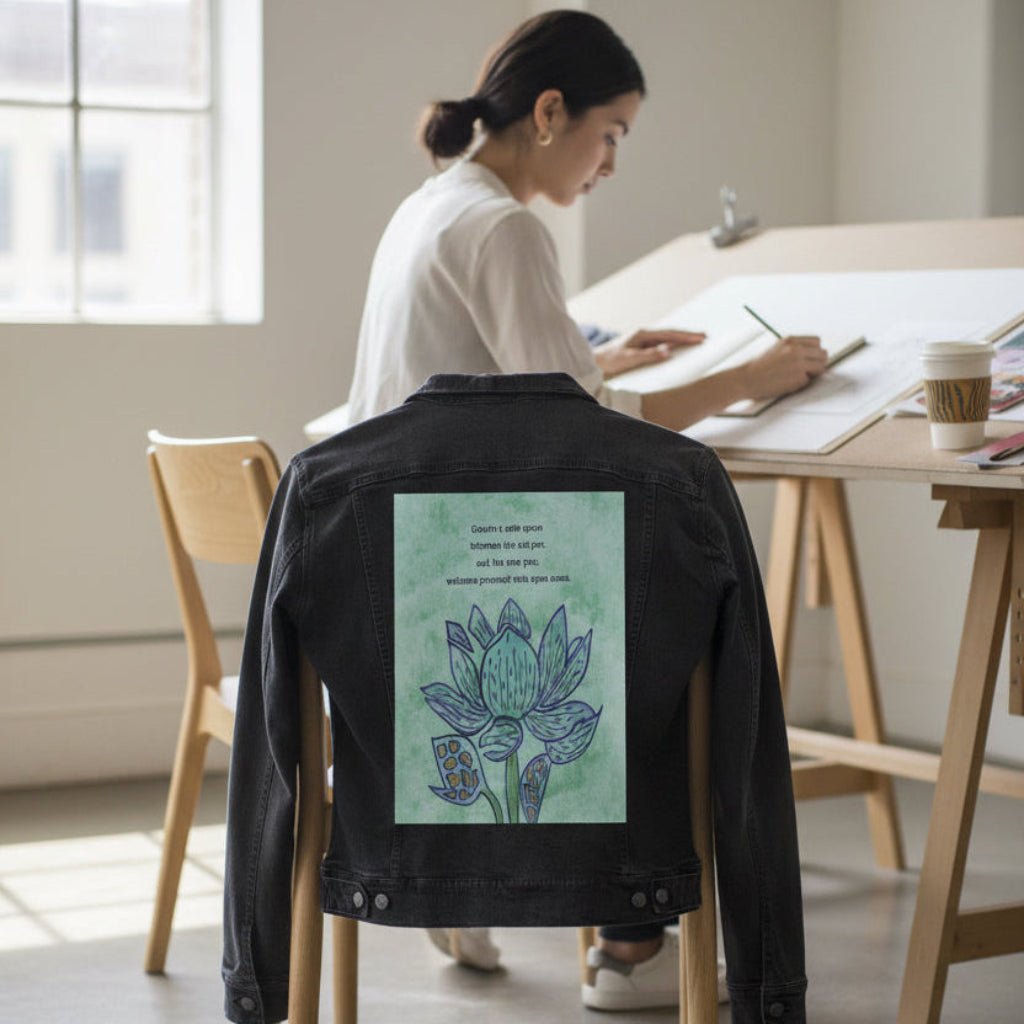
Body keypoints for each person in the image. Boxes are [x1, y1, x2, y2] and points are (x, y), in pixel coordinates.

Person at [344, 8, 822, 1012]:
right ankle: (629, 941)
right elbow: (583, 427)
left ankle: (498, 884)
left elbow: (486, 381)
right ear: (551, 112)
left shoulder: (428, 207)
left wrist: (595, 352)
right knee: (679, 635)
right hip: (465, 570)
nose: (609, 164)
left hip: (391, 565)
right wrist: (752, 376)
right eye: (611, 135)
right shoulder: (505, 225)